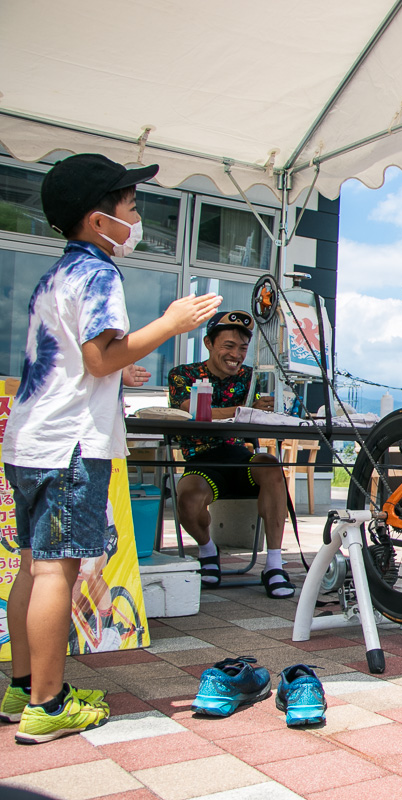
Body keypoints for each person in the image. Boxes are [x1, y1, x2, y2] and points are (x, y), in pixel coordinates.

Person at [1, 153, 221, 743]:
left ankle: (26, 685)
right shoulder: (99, 273)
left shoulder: (57, 275)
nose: (136, 215)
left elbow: (80, 361)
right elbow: (101, 354)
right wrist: (172, 323)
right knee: (56, 571)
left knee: (33, 564)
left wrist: (114, 372)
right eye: (128, 205)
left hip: (30, 438)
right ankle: (48, 705)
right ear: (100, 221)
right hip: (70, 444)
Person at [166, 312, 295, 598]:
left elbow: (272, 412)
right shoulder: (182, 374)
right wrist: (246, 411)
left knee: (273, 468)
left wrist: (271, 404)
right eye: (228, 346)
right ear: (209, 343)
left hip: (241, 457)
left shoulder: (254, 378)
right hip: (202, 461)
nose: (236, 354)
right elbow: (190, 411)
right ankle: (207, 550)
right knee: (187, 499)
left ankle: (273, 565)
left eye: (242, 348)